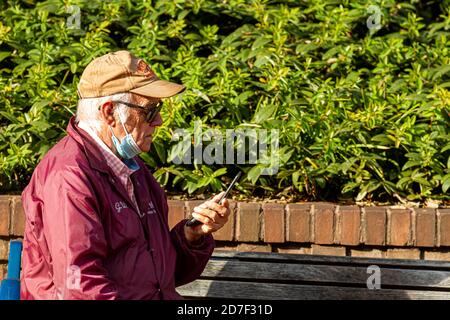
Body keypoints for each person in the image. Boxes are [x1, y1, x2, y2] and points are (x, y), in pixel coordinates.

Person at [20, 50, 231, 300]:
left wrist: (191, 235)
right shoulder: (69, 176)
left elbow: (160, 276)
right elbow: (79, 286)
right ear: (109, 113)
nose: (160, 120)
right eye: (150, 111)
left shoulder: (131, 167)